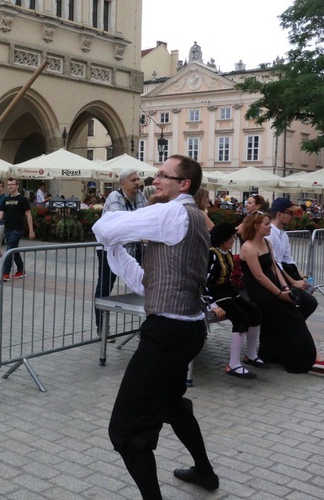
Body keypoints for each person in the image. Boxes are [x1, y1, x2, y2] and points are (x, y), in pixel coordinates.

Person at [94, 155, 218, 498]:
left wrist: (110, 231)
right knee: (171, 404)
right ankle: (205, 473)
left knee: (125, 431)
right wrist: (115, 249)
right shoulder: (190, 216)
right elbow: (150, 282)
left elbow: (104, 227)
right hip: (187, 329)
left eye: (164, 176)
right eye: (156, 174)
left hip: (167, 332)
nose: (155, 180)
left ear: (184, 184)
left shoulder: (174, 212)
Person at [239, 210, 324, 376]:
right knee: (292, 315)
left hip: (273, 285)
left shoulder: (266, 243)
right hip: (258, 290)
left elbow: (275, 268)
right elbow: (259, 277)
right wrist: (280, 294)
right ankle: (310, 357)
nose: (269, 227)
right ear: (257, 226)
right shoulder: (248, 247)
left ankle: (275, 350)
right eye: (266, 224)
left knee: (303, 304)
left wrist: (285, 287)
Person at [206, 223, 263, 379]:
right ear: (221, 238)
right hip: (216, 294)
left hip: (228, 292)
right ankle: (233, 364)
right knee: (240, 318)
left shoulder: (227, 253)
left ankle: (250, 355)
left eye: (233, 236)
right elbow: (205, 283)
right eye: (230, 237)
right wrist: (212, 304)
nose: (233, 239)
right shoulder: (211, 254)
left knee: (255, 313)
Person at [94, 167, 147, 332]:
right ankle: (101, 327)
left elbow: (145, 217)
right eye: (133, 180)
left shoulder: (139, 196)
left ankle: (148, 324)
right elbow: (120, 221)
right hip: (110, 250)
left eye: (138, 179)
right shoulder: (114, 196)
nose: (138, 183)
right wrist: (139, 228)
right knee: (105, 287)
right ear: (123, 183)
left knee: (145, 282)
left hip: (132, 248)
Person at [267, 197, 317, 320]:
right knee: (307, 303)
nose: (293, 216)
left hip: (283, 278)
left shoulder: (283, 234)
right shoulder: (270, 235)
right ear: (279, 214)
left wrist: (302, 278)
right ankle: (291, 328)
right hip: (274, 280)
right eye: (290, 213)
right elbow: (275, 264)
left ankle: (291, 328)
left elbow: (288, 259)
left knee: (308, 303)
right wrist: (293, 282)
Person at [0, 177, 35, 281]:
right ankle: (21, 270)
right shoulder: (6, 199)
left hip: (17, 230)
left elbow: (28, 215)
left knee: (8, 250)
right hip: (7, 229)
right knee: (14, 250)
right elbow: (1, 213)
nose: (10, 186)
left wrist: (31, 230)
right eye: (9, 185)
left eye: (12, 184)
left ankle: (5, 273)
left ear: (17, 186)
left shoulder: (23, 200)